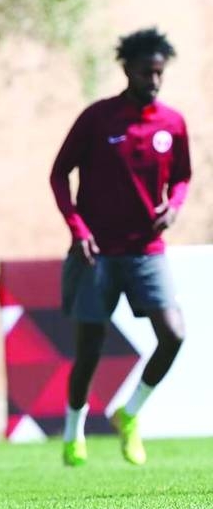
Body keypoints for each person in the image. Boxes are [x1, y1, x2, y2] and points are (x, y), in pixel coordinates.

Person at [51, 28, 190, 468]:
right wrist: (77, 228)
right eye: (147, 71)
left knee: (174, 334)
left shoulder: (172, 123)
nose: (154, 80)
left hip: (147, 249)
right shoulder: (98, 119)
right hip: (97, 253)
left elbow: (183, 176)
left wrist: (174, 207)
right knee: (89, 349)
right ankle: (74, 435)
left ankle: (129, 414)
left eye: (159, 72)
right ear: (127, 69)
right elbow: (59, 174)